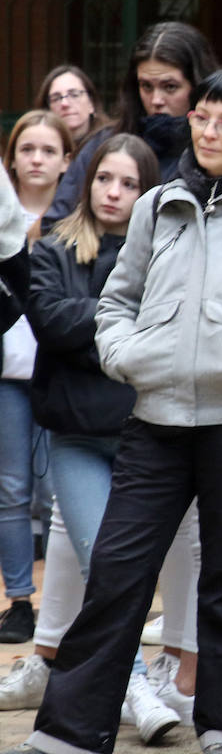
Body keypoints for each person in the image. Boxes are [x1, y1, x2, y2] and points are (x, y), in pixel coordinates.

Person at [0, 66, 222, 754]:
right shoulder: (161, 203)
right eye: (202, 118)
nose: (210, 132)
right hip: (155, 417)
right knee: (119, 571)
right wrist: (128, 354)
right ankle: (70, 737)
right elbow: (117, 300)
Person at [0, 134, 182, 742]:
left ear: (148, 191)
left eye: (129, 183)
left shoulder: (167, 251)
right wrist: (123, 316)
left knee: (132, 568)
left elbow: (170, 330)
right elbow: (49, 323)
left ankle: (129, 682)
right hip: (77, 436)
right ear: (87, 180)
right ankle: (129, 684)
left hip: (147, 434)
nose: (114, 192)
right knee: (106, 560)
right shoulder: (51, 247)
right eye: (106, 178)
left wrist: (101, 326)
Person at [0, 110, 73, 644]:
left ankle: (62, 608)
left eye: (49, 150)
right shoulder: (4, 220)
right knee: (10, 490)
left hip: (60, 371)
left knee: (59, 494)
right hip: (7, 374)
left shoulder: (76, 221)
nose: (37, 159)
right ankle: (19, 600)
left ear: (67, 159)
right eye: (27, 149)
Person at [44, 21, 218, 230]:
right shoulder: (102, 144)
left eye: (170, 87)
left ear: (197, 86)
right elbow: (55, 228)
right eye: (146, 86)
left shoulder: (215, 152)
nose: (156, 100)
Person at [34, 65, 108, 150]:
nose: (64, 103)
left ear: (91, 104)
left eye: (74, 95)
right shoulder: (38, 151)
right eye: (56, 98)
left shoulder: (110, 144)